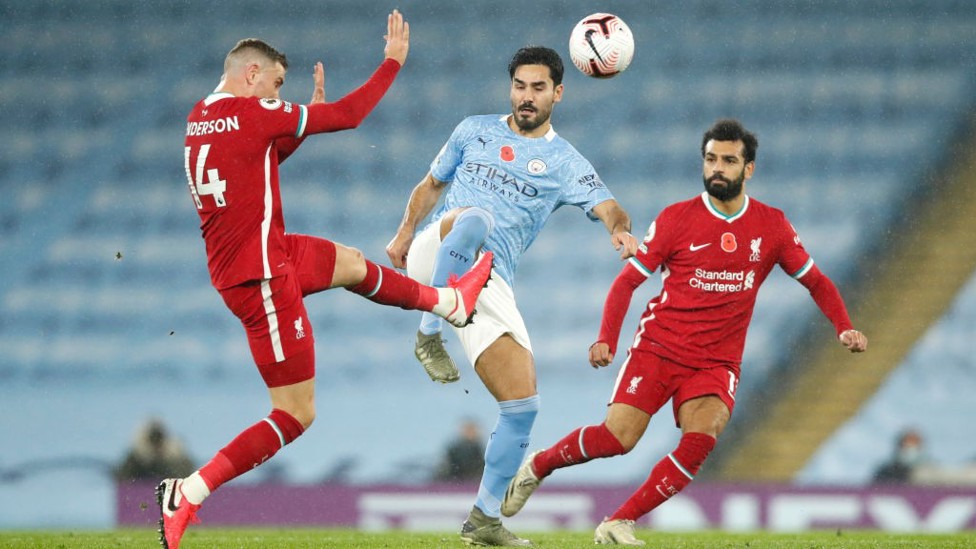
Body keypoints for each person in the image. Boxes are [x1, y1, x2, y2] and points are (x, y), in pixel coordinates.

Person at [158, 11, 495, 549]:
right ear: (251, 74)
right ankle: (191, 491)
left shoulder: (203, 115)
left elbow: (258, 156)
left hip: (268, 253)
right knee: (295, 413)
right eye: (275, 84)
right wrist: (390, 64)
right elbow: (350, 115)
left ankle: (450, 304)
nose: (277, 94)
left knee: (351, 263)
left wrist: (303, 117)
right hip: (259, 277)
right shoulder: (252, 112)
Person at [501, 119, 869, 545]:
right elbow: (627, 282)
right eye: (711, 159)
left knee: (702, 437)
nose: (717, 168)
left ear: (748, 168)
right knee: (617, 439)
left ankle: (618, 521)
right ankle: (539, 466)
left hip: (716, 362)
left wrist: (844, 327)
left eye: (729, 161)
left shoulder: (772, 226)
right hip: (659, 348)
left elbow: (816, 281)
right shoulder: (677, 218)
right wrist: (607, 337)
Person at [386, 46, 639, 546]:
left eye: (538, 88)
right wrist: (403, 232)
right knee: (476, 219)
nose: (526, 96)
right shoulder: (473, 128)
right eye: (520, 86)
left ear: (558, 93)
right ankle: (428, 334)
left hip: (488, 279)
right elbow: (431, 185)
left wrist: (619, 230)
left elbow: (609, 206)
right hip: (439, 249)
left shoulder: (565, 161)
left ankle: (483, 520)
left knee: (522, 406)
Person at [115, 418, 195, 482]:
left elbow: (188, 474)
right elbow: (123, 477)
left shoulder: (176, 456)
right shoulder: (136, 457)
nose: (157, 447)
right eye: (154, 441)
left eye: (158, 441)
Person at [434, 418, 486, 482]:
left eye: (472, 430)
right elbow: (447, 469)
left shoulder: (480, 450)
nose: (470, 433)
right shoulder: (454, 450)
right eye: (467, 430)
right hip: (456, 482)